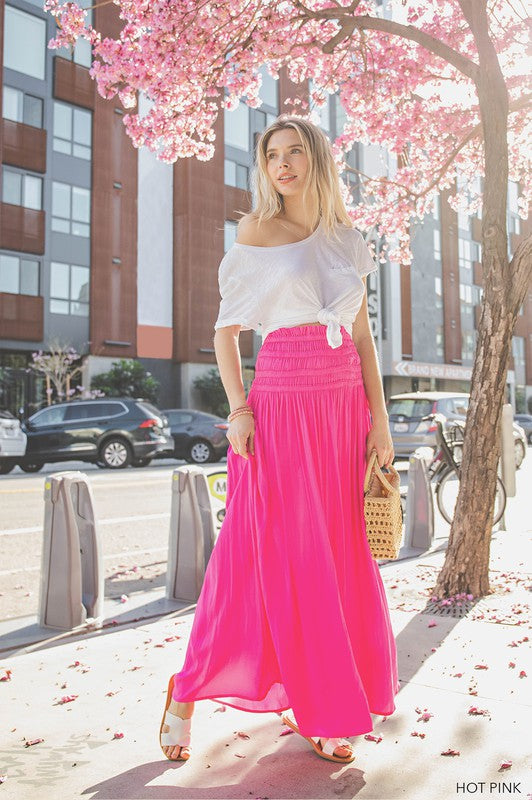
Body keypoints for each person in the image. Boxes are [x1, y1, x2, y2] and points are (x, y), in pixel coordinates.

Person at [159, 114, 399, 765]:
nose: (283, 164)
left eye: (295, 152)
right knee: (253, 557)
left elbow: (363, 338)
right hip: (281, 411)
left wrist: (379, 419)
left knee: (336, 557)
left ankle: (327, 708)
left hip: (343, 410)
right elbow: (225, 332)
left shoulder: (348, 240)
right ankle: (186, 688)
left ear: (317, 160)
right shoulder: (255, 231)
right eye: (272, 154)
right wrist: (238, 408)